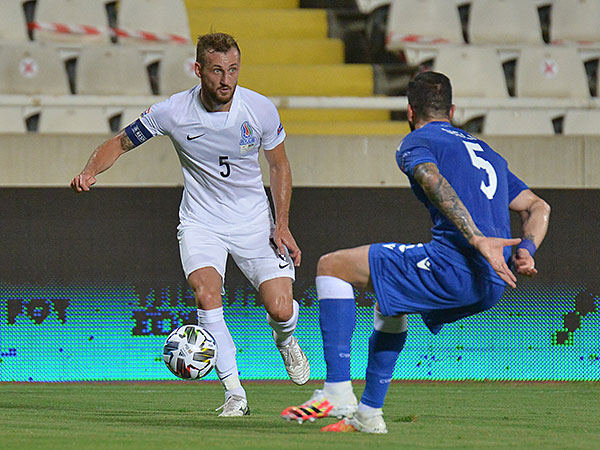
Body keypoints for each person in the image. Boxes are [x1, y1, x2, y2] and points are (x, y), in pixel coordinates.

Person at [281, 71, 550, 433]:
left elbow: (429, 176)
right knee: (390, 300)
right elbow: (539, 206)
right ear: (452, 111)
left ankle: (337, 391)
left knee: (332, 267)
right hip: (493, 281)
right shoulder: (488, 153)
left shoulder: (418, 141)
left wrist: (476, 238)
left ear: (410, 111)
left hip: (454, 267)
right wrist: (527, 250)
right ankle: (368, 414)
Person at [71, 32, 310, 416]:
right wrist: (90, 170)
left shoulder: (259, 109)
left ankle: (285, 339)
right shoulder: (173, 111)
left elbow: (279, 165)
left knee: (281, 309)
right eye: (217, 70)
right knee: (206, 294)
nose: (226, 80)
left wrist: (281, 224)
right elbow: (120, 142)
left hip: (253, 222)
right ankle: (234, 394)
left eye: (233, 70)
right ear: (198, 70)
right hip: (201, 222)